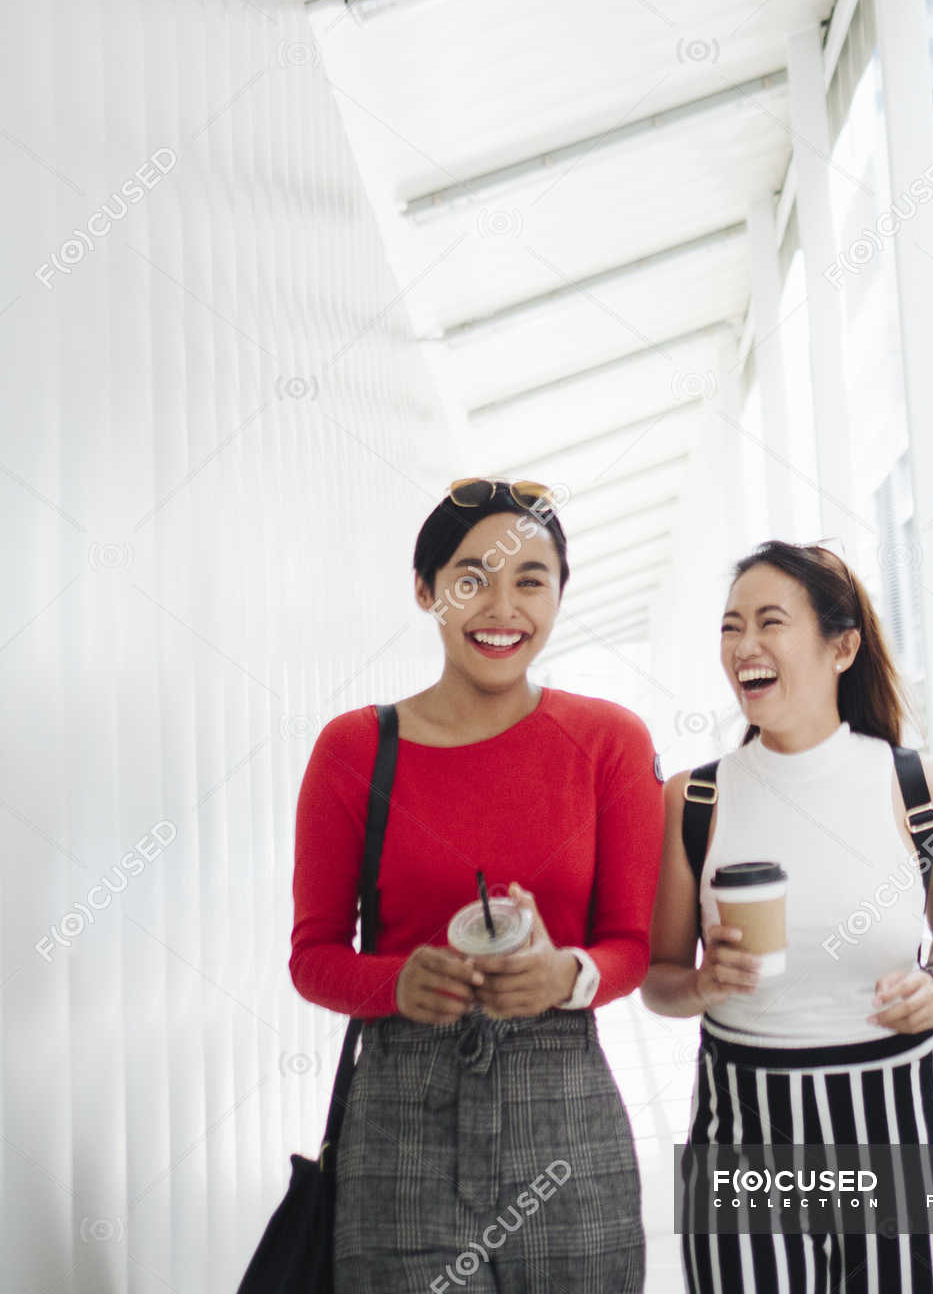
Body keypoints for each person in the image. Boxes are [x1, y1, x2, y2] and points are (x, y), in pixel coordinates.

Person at [290, 478, 664, 1293]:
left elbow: (633, 946)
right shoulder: (355, 749)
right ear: (426, 591)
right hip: (398, 1123)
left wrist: (566, 972)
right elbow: (313, 957)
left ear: (561, 594)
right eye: (471, 578)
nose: (502, 607)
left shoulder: (610, 742)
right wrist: (400, 980)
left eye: (531, 580)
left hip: (565, 1109)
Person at [643, 540, 933, 1293]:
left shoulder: (923, 790)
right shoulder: (693, 799)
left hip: (899, 1123)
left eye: (771, 622)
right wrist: (702, 986)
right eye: (731, 627)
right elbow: (658, 979)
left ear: (842, 646)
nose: (745, 647)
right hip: (744, 1129)